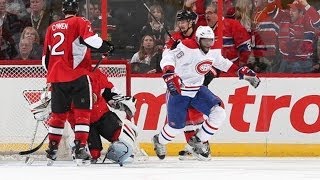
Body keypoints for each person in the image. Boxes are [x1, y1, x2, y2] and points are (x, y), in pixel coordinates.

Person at [152, 26, 260, 161]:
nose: (208, 44)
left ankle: (198, 141)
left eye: (210, 41)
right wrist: (169, 70)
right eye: (205, 41)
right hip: (179, 91)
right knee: (176, 128)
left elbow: (223, 63)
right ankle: (159, 140)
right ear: (198, 39)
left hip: (198, 90)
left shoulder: (213, 51)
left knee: (219, 113)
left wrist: (240, 72)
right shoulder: (187, 46)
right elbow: (168, 56)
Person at [42, 0, 114, 166]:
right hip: (78, 76)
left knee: (59, 116)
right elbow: (92, 40)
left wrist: (54, 74)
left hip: (56, 78)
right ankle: (81, 147)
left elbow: (46, 59)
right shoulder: (80, 21)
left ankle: (52, 150)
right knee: (82, 113)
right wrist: (106, 47)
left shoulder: (51, 28)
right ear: (77, 10)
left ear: (63, 10)